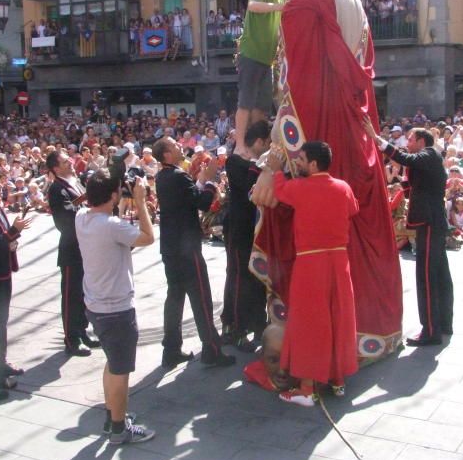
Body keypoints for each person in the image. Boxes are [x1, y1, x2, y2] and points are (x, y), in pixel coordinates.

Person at [251, 0, 403, 364]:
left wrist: (272, 163)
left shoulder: (305, 0)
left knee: (310, 238)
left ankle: (318, 341)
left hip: (320, 128)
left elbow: (295, 91)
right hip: (356, 133)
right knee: (354, 232)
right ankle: (369, 333)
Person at [266, 141, 359, 406]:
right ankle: (337, 380)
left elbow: (280, 189)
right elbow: (353, 209)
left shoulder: (299, 187)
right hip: (340, 262)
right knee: (338, 319)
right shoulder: (344, 188)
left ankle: (307, 389)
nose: (299, 163)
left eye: (302, 159)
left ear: (314, 164)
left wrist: (276, 169)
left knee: (309, 323)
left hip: (310, 264)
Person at [75, 169, 155, 445]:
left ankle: (113, 417)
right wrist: (141, 201)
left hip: (96, 305)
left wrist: (119, 202)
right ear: (112, 195)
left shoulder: (82, 218)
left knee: (113, 363)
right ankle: (120, 429)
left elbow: (112, 226)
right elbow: (147, 237)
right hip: (117, 309)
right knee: (121, 371)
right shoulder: (111, 226)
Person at [364, 120, 454, 346]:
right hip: (431, 221)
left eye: (411, 139)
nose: (407, 143)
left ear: (422, 141)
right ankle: (443, 323)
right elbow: (414, 185)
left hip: (430, 222)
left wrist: (377, 139)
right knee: (439, 273)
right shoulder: (427, 160)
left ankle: (431, 330)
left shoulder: (430, 154)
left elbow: (407, 159)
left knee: (427, 275)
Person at [152, 137, 235, 370]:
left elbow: (186, 199)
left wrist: (200, 180)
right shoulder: (177, 176)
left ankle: (171, 349)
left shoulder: (164, 175)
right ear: (167, 155)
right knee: (201, 298)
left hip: (171, 247)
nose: (181, 147)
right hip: (187, 249)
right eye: (175, 146)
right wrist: (209, 182)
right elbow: (201, 202)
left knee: (175, 297)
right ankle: (211, 348)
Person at [222, 120, 271, 351]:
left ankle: (259, 324)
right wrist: (264, 166)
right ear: (260, 142)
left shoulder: (261, 164)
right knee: (239, 277)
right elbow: (248, 187)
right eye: (268, 142)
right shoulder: (235, 161)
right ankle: (237, 327)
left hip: (257, 229)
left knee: (259, 278)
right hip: (239, 229)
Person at [234, 0, 289, 156]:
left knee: (262, 108)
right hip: (250, 54)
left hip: (267, 60)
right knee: (245, 101)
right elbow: (253, 6)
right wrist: (279, 7)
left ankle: (258, 144)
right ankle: (240, 145)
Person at [47, 150, 100, 356]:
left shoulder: (75, 182)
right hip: (71, 248)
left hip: (86, 247)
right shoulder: (57, 188)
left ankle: (82, 330)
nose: (70, 162)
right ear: (55, 167)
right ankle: (71, 337)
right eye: (64, 161)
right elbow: (65, 221)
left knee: (84, 293)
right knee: (71, 295)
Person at [0, 172, 31, 396]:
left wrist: (12, 238)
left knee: (1, 322)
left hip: (2, 272)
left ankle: (0, 363)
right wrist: (13, 232)